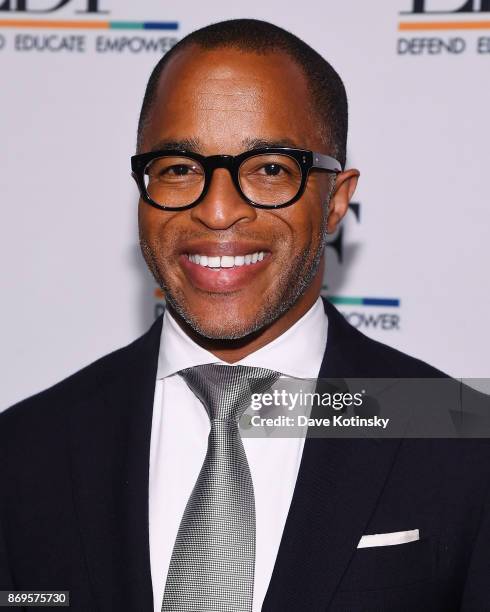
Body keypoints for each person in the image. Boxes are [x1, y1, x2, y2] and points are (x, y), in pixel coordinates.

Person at [1, 18, 489, 612]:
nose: (218, 210)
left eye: (270, 169)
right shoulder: (26, 449)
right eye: (179, 168)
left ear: (336, 199)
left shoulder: (460, 435)